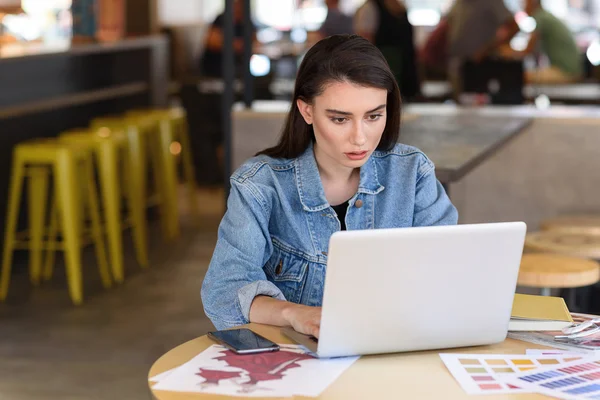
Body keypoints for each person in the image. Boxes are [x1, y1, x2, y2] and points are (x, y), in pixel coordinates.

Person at [201, 35, 458, 337]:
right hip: (298, 368)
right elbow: (224, 291)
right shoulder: (261, 186)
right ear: (306, 110)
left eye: (374, 116)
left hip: (397, 351)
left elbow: (448, 273)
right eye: (340, 119)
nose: (360, 137)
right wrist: (295, 314)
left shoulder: (412, 173)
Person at [446, 0, 519, 96]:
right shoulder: (459, 3)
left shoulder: (491, 2)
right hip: (458, 65)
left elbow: (513, 27)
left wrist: (488, 49)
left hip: (481, 66)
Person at [500, 0, 582, 84]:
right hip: (571, 69)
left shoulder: (540, 17)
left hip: (565, 72)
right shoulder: (544, 15)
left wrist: (506, 51)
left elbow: (528, 50)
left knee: (520, 76)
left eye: (525, 2)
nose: (523, 5)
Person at [354, 0, 420, 99]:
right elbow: (365, 44)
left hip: (405, 70)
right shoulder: (370, 8)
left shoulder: (401, 8)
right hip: (382, 69)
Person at [200, 0, 256, 78]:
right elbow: (211, 41)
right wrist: (237, 45)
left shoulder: (247, 22)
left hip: (239, 66)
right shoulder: (221, 19)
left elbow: (255, 42)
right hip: (217, 65)